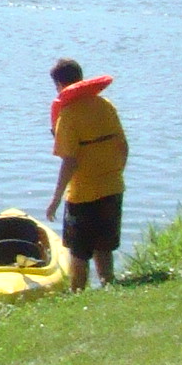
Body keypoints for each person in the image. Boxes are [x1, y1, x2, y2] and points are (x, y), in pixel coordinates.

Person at [43, 58, 129, 290]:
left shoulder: (68, 115)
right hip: (112, 187)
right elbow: (123, 146)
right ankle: (108, 285)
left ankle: (78, 293)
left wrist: (56, 199)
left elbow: (69, 161)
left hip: (82, 194)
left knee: (79, 253)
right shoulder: (106, 106)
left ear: (59, 85)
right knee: (104, 247)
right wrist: (115, 172)